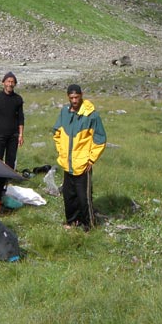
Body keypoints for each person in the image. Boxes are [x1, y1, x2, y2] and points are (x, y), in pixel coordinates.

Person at [52, 84, 107, 230]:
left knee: (84, 198)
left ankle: (89, 225)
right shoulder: (64, 112)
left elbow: (100, 139)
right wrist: (61, 152)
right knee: (68, 196)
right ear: (68, 97)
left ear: (82, 95)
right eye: (71, 98)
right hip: (67, 162)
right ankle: (72, 221)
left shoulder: (91, 115)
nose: (74, 100)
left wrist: (91, 159)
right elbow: (57, 132)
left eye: (77, 97)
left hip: (83, 164)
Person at [0, 71, 24, 170]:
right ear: (3, 83)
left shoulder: (18, 99)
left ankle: (8, 181)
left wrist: (21, 135)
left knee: (11, 160)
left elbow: (21, 118)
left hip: (14, 135)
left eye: (12, 82)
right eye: (8, 81)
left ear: (15, 84)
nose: (10, 84)